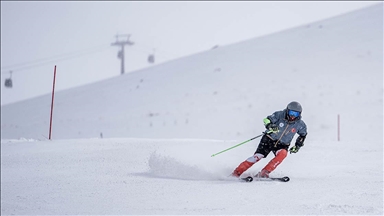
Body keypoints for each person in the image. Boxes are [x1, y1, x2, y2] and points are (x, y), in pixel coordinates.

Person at [232, 101, 308, 178]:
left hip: (282, 144)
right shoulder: (279, 115)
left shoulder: (300, 124)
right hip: (269, 139)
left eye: (296, 114)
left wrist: (297, 146)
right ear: (287, 110)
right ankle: (237, 172)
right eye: (291, 112)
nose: (293, 116)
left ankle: (265, 172)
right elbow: (266, 120)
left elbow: (303, 135)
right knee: (258, 156)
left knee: (283, 153)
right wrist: (270, 126)